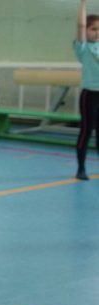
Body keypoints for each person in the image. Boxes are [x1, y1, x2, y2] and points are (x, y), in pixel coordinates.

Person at [75, 0, 99, 180]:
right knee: (86, 130)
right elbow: (81, 25)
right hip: (89, 95)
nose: (97, 32)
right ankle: (81, 168)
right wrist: (83, 3)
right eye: (94, 29)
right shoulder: (83, 48)